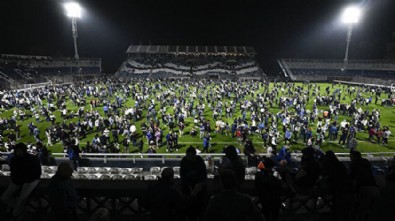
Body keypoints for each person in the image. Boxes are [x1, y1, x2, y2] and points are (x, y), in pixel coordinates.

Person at [1, 143, 42, 219]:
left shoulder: (32, 159)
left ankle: (16, 213)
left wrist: (22, 181)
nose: (19, 152)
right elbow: (14, 173)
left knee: (21, 199)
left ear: (24, 150)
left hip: (30, 181)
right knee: (4, 198)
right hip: (19, 180)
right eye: (17, 151)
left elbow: (37, 174)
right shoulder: (14, 159)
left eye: (21, 150)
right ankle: (20, 209)